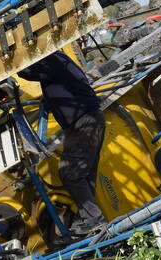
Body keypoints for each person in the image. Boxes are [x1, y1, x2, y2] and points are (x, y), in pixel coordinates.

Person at [18, 52, 107, 237]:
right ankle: (89, 219)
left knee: (70, 173)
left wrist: (12, 61)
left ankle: (94, 220)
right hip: (88, 119)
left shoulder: (51, 60)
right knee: (85, 174)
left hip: (83, 121)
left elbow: (27, 72)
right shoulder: (58, 61)